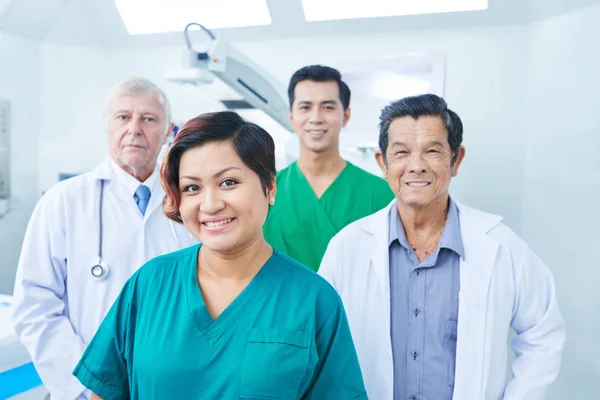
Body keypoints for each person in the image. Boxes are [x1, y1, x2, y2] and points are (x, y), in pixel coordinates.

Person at [71, 111, 367, 400]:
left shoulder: (313, 300)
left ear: (270, 187)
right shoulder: (150, 284)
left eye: (228, 182)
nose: (210, 204)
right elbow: (104, 392)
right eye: (192, 188)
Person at [319, 94, 566, 400]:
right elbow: (319, 343)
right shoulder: (347, 247)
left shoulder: (502, 247)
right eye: (401, 153)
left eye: (432, 151)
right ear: (382, 163)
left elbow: (543, 333)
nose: (416, 166)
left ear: (456, 160)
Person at [11, 77, 195, 399]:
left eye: (149, 119)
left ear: (169, 131)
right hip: (84, 389)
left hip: (171, 386)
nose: (134, 129)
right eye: (123, 117)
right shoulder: (62, 202)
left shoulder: (189, 204)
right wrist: (87, 388)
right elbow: (35, 307)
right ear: (108, 126)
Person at [263, 65, 394, 271]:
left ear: (346, 116)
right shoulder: (265, 192)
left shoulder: (382, 195)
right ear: (291, 116)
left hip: (352, 304)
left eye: (328, 107)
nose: (316, 118)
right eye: (305, 107)